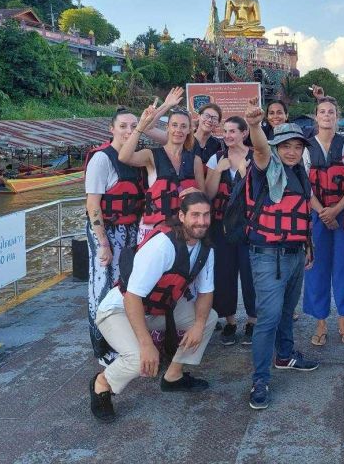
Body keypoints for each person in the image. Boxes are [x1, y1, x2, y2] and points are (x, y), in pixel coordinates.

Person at [90, 192, 218, 421]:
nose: (202, 221)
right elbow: (131, 297)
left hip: (157, 309)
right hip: (118, 310)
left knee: (208, 318)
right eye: (195, 215)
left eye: (206, 215)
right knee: (139, 358)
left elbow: (206, 292)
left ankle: (173, 376)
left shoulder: (205, 249)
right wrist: (147, 344)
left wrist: (198, 324)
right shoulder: (163, 246)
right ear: (182, 216)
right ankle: (102, 383)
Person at [243, 103, 319, 410]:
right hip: (267, 255)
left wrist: (307, 246)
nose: (291, 151)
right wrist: (253, 126)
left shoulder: (299, 171)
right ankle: (259, 379)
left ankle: (285, 355)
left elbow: (301, 211)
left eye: (297, 146)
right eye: (285, 146)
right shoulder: (265, 167)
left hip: (295, 253)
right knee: (269, 318)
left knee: (288, 311)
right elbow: (260, 149)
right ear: (276, 147)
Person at [84, 108, 145, 364]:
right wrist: (103, 244)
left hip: (131, 230)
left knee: (125, 287)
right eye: (123, 126)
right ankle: (102, 348)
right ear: (112, 129)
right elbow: (93, 205)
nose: (129, 131)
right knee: (102, 286)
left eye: (134, 126)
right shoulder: (102, 159)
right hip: (107, 229)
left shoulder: (136, 159)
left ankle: (123, 341)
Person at [302, 96, 344, 346]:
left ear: (336, 117)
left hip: (343, 213)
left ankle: (343, 323)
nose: (327, 115)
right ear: (316, 116)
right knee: (316, 268)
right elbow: (304, 185)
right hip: (316, 215)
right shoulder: (305, 148)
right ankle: (320, 323)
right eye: (322, 111)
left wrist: (336, 210)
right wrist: (323, 213)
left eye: (331, 112)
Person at [119, 91, 206, 245]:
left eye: (183, 126)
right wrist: (140, 127)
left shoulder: (195, 161)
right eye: (174, 125)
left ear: (189, 130)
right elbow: (124, 157)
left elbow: (203, 194)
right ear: (167, 128)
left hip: (185, 228)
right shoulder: (151, 155)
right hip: (156, 228)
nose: (178, 130)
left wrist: (197, 192)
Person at [205, 116, 257, 345]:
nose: (227, 136)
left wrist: (246, 174)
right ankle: (230, 321)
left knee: (250, 272)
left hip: (248, 225)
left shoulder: (257, 157)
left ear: (244, 133)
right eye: (225, 131)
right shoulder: (216, 158)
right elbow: (208, 193)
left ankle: (253, 320)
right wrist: (218, 171)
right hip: (221, 225)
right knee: (224, 273)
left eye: (233, 131)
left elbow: (260, 193)